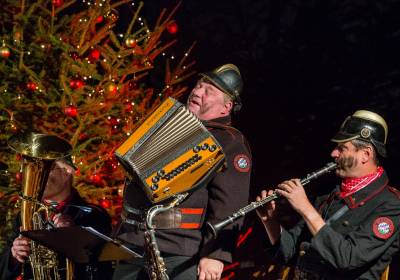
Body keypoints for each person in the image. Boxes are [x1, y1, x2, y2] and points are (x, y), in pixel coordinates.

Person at [113, 64, 252, 280]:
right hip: (133, 241)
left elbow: (230, 205)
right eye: (199, 85)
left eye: (209, 91)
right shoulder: (171, 125)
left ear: (226, 107)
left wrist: (216, 254)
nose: (197, 92)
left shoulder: (230, 142)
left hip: (177, 251)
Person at [257, 110, 400, 280]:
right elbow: (291, 253)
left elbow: (348, 258)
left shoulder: (390, 205)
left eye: (342, 148)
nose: (334, 154)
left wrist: (305, 208)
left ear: (365, 154)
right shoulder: (330, 194)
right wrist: (270, 221)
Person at [0, 158, 113, 280]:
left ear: (66, 172)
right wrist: (13, 256)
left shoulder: (93, 214)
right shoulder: (24, 216)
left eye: (47, 168)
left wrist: (74, 235)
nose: (37, 175)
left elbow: (103, 269)